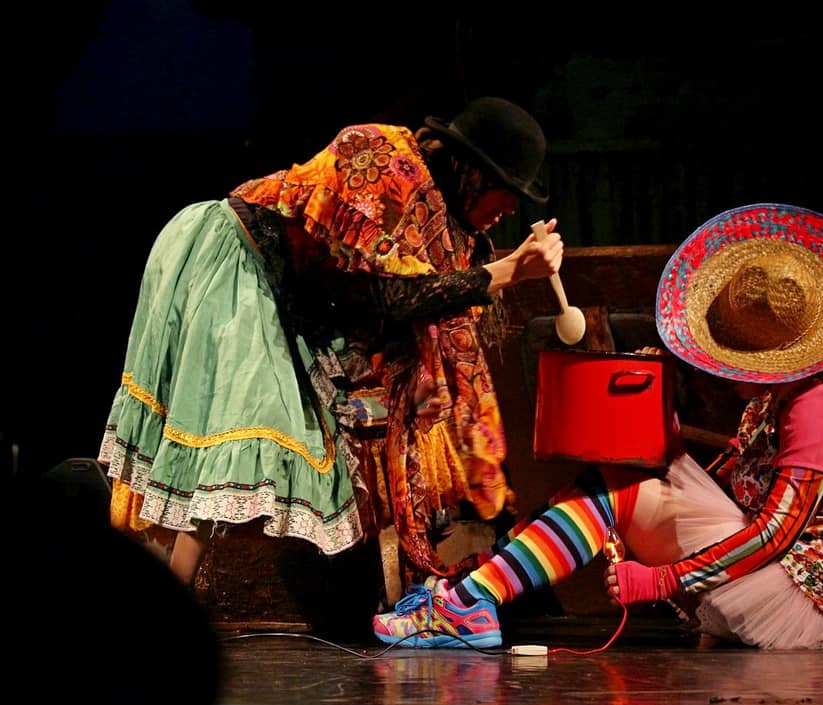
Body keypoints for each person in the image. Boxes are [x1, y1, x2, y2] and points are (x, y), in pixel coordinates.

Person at [372, 202, 823, 650]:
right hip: (776, 575)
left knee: (619, 489)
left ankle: (469, 602)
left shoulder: (819, 407)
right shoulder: (782, 399)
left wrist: (664, 579)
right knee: (614, 478)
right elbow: (723, 489)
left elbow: (775, 535)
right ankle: (470, 590)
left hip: (809, 600)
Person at [98, 97, 565, 588]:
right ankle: (163, 602)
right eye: (508, 192)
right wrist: (510, 271)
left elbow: (414, 295)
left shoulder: (439, 216)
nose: (510, 209)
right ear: (474, 173)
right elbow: (393, 295)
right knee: (229, 430)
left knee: (312, 437)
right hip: (237, 261)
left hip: (288, 294)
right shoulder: (384, 158)